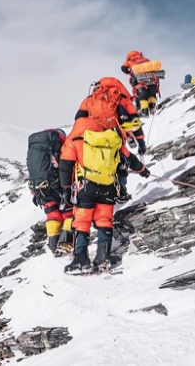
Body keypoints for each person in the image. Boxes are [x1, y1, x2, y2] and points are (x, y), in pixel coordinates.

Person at [59, 116, 150, 274]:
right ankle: (103, 260)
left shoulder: (74, 138)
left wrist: (66, 190)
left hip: (85, 187)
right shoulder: (109, 137)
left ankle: (81, 261)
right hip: (108, 186)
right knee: (104, 222)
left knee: (82, 223)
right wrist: (142, 169)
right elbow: (128, 156)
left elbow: (65, 166)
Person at [26, 128, 73, 255]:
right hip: (56, 184)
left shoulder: (35, 151)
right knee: (68, 212)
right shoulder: (60, 148)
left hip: (40, 188)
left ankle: (53, 247)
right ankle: (66, 242)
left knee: (52, 215)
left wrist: (35, 193)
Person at [121, 51, 162, 117]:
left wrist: (129, 70)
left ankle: (144, 110)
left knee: (142, 94)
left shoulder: (128, 61)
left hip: (138, 80)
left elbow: (124, 68)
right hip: (151, 79)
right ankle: (152, 106)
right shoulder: (145, 59)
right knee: (152, 93)